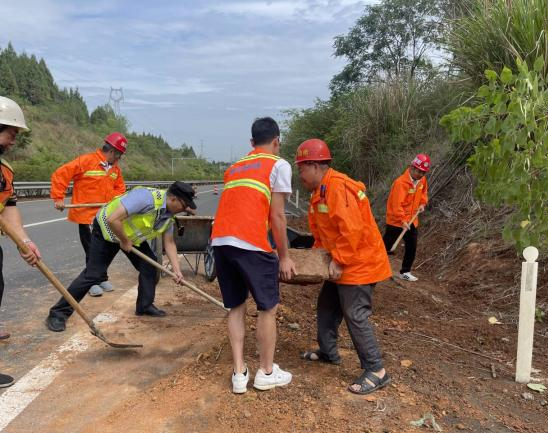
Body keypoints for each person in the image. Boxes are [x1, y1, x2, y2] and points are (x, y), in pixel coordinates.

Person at [295, 138, 392, 395]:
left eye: (301, 168)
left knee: (355, 313)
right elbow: (323, 233)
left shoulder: (338, 188)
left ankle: (376, 370)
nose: (300, 175)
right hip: (342, 261)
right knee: (327, 307)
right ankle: (328, 352)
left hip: (359, 263)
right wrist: (317, 262)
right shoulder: (321, 191)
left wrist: (339, 260)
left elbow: (353, 230)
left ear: (315, 166)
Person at [211, 117, 296, 393]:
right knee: (267, 307)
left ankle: (239, 373)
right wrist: (284, 256)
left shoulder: (234, 167)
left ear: (251, 142)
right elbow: (278, 216)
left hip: (220, 241)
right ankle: (266, 372)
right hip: (250, 242)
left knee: (236, 306)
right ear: (277, 141)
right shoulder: (278, 164)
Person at [45, 181, 196, 332]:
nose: (185, 209)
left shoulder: (169, 216)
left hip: (130, 236)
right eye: (184, 205)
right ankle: (58, 313)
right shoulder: (145, 198)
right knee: (94, 275)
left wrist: (177, 270)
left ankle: (144, 306)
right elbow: (112, 219)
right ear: (173, 199)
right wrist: (124, 241)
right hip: (107, 230)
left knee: (149, 265)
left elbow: (169, 243)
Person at [51, 132, 127, 297]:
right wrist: (58, 197)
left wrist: (114, 203)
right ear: (112, 151)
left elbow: (120, 188)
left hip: (105, 215)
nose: (119, 158)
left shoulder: (115, 169)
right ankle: (91, 282)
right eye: (119, 155)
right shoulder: (86, 161)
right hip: (87, 216)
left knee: (105, 248)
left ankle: (101, 277)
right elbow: (61, 174)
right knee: (92, 250)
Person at [0, 96, 42, 388]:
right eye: (11, 133)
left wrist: (24, 241)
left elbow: (9, 208)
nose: (14, 140)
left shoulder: (5, 170)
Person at [383, 154, 430, 282]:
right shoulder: (400, 183)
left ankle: (405, 272)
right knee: (386, 247)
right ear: (412, 167)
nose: (421, 175)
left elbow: (424, 193)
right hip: (396, 221)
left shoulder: (422, 180)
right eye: (419, 171)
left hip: (412, 220)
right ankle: (374, 267)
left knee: (411, 246)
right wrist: (403, 220)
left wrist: (422, 203)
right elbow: (396, 205)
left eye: (423, 172)